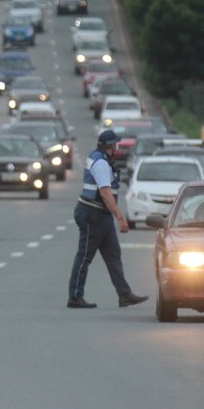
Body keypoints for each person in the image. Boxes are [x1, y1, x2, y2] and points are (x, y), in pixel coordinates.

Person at [67, 129, 149, 309]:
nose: (116, 148)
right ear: (108, 146)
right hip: (92, 214)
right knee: (85, 256)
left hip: (101, 216)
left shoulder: (100, 158)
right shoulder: (101, 164)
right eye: (114, 145)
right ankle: (75, 296)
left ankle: (124, 294)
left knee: (113, 255)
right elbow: (105, 192)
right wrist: (120, 217)